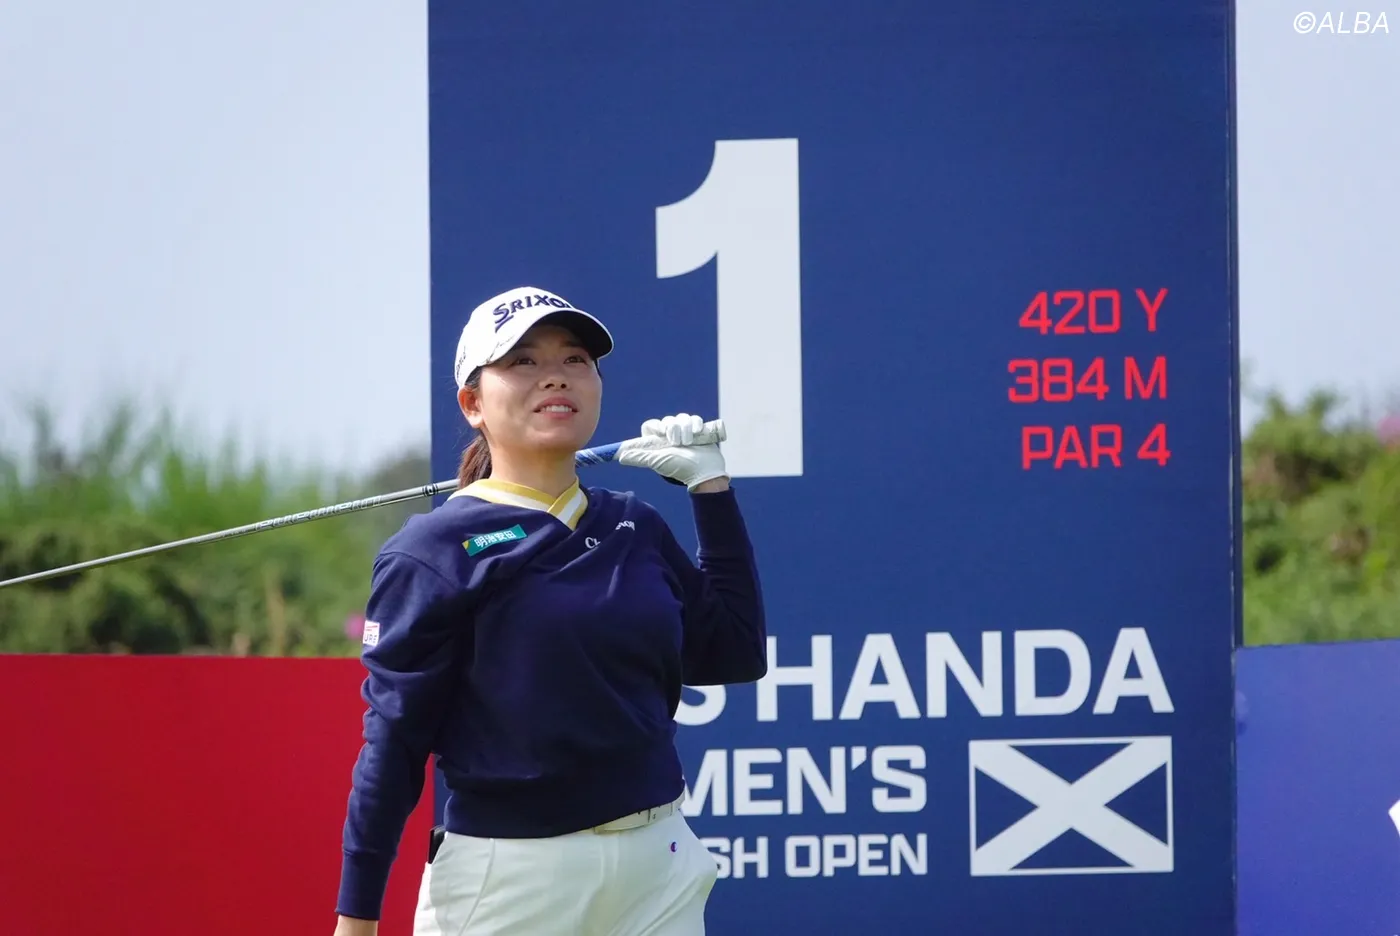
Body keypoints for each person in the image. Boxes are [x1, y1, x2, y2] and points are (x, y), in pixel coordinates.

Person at [331, 285, 768, 936]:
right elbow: (394, 745)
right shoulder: (432, 551)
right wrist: (357, 919)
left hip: (659, 866)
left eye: (574, 360)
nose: (556, 376)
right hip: (512, 879)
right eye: (524, 361)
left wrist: (711, 488)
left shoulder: (633, 524)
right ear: (473, 404)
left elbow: (734, 652)